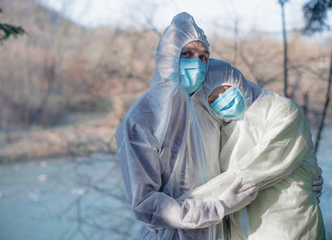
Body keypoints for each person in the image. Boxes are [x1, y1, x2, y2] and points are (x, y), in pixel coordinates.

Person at [115, 12, 259, 240]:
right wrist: (217, 207)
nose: (197, 63)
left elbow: (264, 119)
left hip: (218, 232)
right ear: (168, 57)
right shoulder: (142, 118)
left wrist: (298, 171)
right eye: (187, 53)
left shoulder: (212, 103)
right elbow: (145, 203)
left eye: (203, 56)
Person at [181, 58, 326, 239]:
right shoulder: (220, 129)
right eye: (212, 97)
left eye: (225, 89)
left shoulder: (281, 109)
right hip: (243, 231)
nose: (223, 99)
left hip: (289, 228)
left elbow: (254, 170)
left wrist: (183, 208)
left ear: (237, 81)